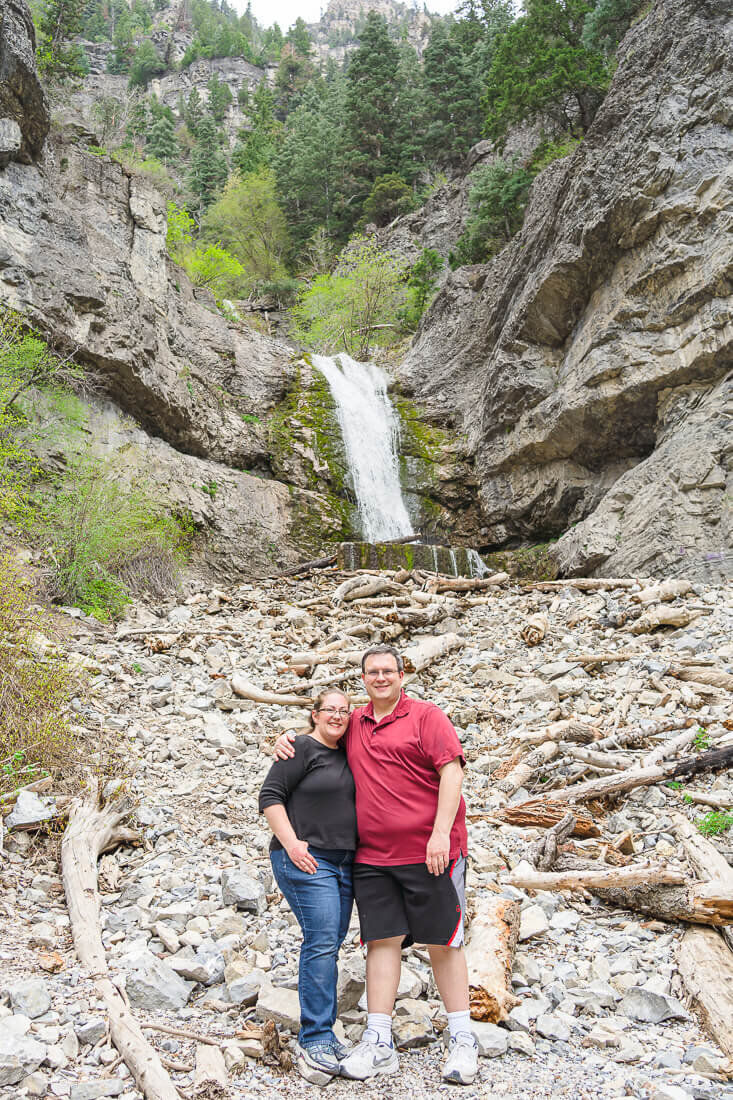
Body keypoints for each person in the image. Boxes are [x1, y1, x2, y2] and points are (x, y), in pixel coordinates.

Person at [274, 645, 478, 1086]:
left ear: (403, 675)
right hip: (372, 857)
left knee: (444, 941)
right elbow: (319, 737)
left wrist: (440, 832)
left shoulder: (427, 716)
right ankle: (379, 1039)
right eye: (372, 672)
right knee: (382, 942)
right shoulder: (356, 724)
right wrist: (282, 737)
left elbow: (452, 772)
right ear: (363, 678)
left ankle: (463, 1036)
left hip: (432, 851)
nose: (380, 677)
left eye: (388, 671)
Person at [258, 689, 356, 1086]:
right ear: (314, 715)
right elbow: (270, 795)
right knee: (320, 941)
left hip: (346, 862)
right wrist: (293, 843)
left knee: (330, 941)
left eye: (344, 711)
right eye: (329, 710)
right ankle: (314, 1036)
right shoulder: (299, 747)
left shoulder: (351, 749)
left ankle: (326, 1032)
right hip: (306, 858)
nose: (337, 716)